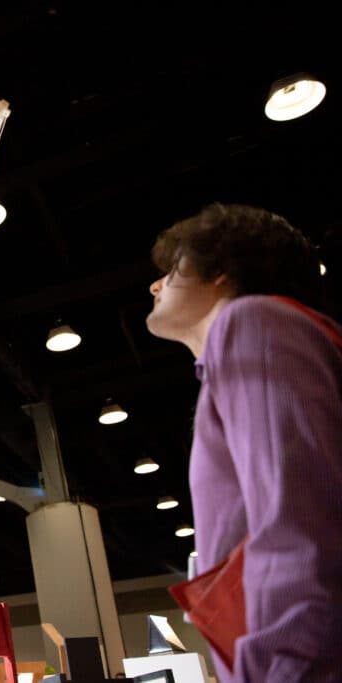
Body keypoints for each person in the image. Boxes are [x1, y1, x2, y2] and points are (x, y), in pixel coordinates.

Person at [145, 202, 342, 682]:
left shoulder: (253, 322)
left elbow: (302, 524)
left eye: (172, 270)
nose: (155, 285)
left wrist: (284, 668)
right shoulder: (264, 337)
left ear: (222, 273)